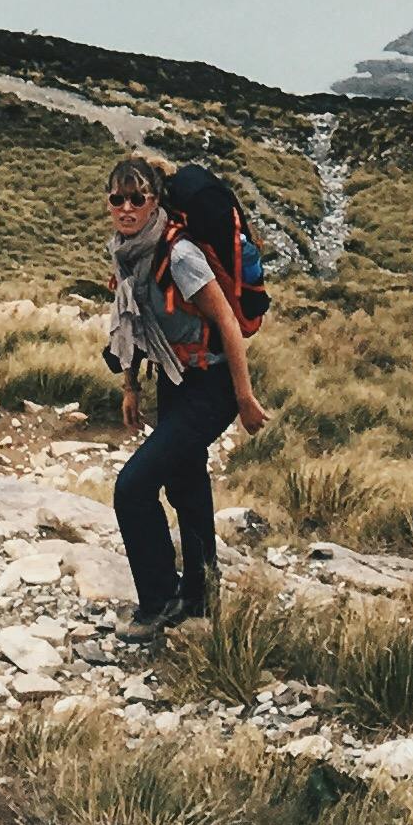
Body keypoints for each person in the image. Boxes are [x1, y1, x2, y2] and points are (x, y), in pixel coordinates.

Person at [105, 150, 267, 628]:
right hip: (173, 378)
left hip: (210, 384)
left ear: (156, 201)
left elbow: (227, 325)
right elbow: (129, 323)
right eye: (119, 198)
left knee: (132, 488)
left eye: (138, 198)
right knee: (184, 482)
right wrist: (131, 386)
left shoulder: (181, 255)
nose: (128, 208)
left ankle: (156, 604)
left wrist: (244, 400)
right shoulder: (124, 251)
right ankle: (199, 593)